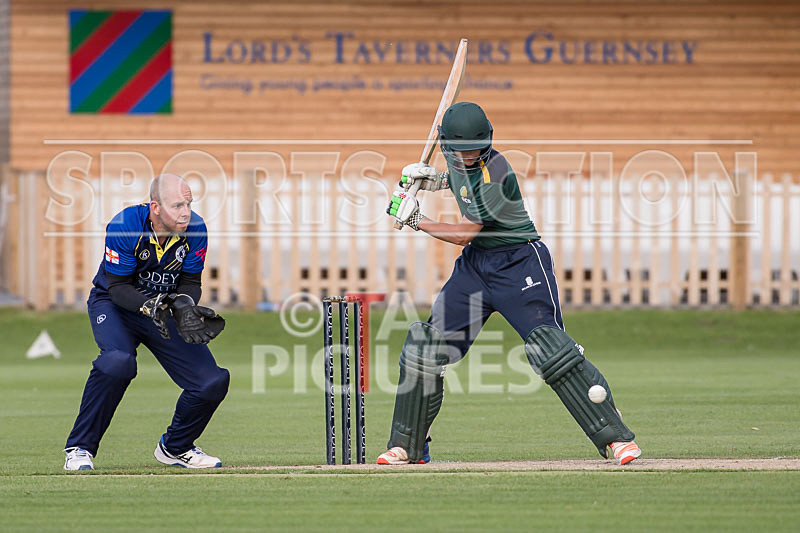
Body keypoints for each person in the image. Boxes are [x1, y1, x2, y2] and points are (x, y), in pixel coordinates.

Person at [382, 102, 641, 465]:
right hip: (475, 270)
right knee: (425, 348)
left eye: (475, 149)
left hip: (518, 264)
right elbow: (459, 180)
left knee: (551, 350)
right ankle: (407, 445)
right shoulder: (459, 163)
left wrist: (415, 219)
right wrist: (432, 181)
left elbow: (463, 235)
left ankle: (616, 440)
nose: (469, 157)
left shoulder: (495, 173)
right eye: (461, 151)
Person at [63, 174, 228, 471]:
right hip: (116, 305)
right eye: (177, 205)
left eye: (189, 204)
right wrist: (146, 304)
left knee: (211, 382)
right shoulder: (125, 225)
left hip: (160, 310)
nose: (185, 212)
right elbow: (117, 287)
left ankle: (175, 448)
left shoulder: (195, 228)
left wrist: (185, 307)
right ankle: (79, 448)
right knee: (117, 363)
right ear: (155, 207)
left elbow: (190, 280)